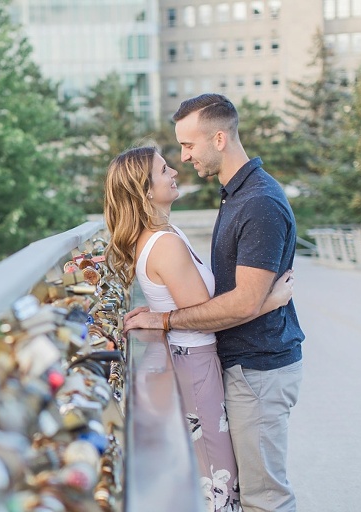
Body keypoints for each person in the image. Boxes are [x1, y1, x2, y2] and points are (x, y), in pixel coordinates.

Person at [123, 94, 305, 512]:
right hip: (244, 364)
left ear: (218, 139)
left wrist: (164, 319)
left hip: (259, 368)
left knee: (265, 498)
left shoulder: (258, 202)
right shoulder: (235, 194)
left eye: (188, 146)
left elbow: (242, 303)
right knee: (242, 491)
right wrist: (264, 300)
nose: (183, 158)